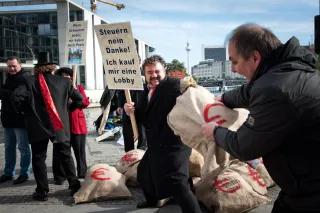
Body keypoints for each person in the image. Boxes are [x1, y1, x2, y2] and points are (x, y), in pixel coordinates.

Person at [201, 23, 320, 212]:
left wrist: (215, 131)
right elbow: (247, 92)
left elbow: (244, 146)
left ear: (255, 58)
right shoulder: (288, 72)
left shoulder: (274, 90)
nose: (233, 69)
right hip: (301, 185)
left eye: (234, 61)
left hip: (310, 195)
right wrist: (223, 98)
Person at [124, 55, 202, 213]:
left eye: (157, 71)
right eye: (149, 72)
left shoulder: (176, 86)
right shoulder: (144, 91)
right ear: (144, 74)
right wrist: (131, 111)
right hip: (157, 144)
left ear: (164, 70)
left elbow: (195, 100)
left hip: (175, 143)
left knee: (178, 182)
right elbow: (145, 115)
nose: (153, 75)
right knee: (144, 173)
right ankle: (153, 201)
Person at [12, 52, 83, 201]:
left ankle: (42, 191)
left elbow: (16, 98)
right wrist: (67, 109)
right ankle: (74, 185)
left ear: (38, 68)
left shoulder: (29, 81)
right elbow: (80, 100)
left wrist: (25, 112)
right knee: (66, 156)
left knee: (39, 158)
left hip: (37, 125)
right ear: (52, 67)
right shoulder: (64, 81)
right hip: (59, 123)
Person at [53, 67, 90, 183]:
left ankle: (82, 172)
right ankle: (61, 175)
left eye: (68, 76)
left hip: (77, 124)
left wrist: (75, 96)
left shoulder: (78, 87)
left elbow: (85, 102)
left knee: (79, 151)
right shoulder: (56, 89)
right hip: (62, 125)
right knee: (60, 152)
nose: (66, 78)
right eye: (64, 76)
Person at [0, 56, 31, 184]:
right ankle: (8, 173)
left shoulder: (25, 78)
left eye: (14, 66)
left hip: (20, 119)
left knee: (23, 148)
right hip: (8, 119)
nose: (11, 68)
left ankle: (24, 173)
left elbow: (15, 96)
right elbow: (10, 95)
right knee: (9, 147)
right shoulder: (8, 78)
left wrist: (3, 92)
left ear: (20, 66)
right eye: (9, 66)